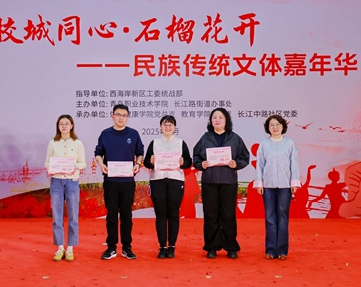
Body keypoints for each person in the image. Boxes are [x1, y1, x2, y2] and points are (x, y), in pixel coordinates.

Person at [193, 108, 250, 259]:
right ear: (211, 121)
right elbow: (196, 156)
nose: (217, 120)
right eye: (214, 117)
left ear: (226, 121)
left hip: (228, 181)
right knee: (210, 214)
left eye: (220, 117)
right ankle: (211, 247)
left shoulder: (235, 138)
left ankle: (231, 247)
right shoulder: (205, 138)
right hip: (209, 181)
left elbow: (245, 156)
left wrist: (236, 163)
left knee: (228, 215)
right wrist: (201, 164)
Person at [94, 105, 144, 260]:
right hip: (111, 181)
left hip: (128, 181)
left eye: (124, 115)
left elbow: (140, 153)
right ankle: (111, 247)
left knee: (126, 215)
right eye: (118, 114)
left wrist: (138, 164)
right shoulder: (105, 134)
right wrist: (101, 164)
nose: (121, 118)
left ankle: (127, 248)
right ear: (112, 116)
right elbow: (98, 153)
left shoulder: (133, 134)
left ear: (127, 117)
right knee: (111, 215)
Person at [143, 115, 192, 259]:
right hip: (158, 180)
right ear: (160, 127)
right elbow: (146, 162)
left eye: (170, 125)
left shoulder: (181, 143)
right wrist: (151, 162)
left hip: (175, 181)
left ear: (175, 127)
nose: (167, 127)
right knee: (161, 214)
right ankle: (162, 246)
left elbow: (188, 162)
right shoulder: (154, 143)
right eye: (165, 124)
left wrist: (183, 162)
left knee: (173, 214)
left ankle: (172, 246)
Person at [254, 114, 300, 260]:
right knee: (270, 217)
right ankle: (270, 250)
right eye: (272, 125)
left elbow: (294, 163)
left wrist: (294, 183)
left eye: (277, 125)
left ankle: (282, 251)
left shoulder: (289, 144)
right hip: (268, 185)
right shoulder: (264, 144)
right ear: (268, 128)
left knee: (283, 216)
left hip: (285, 185)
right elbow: (259, 165)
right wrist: (259, 183)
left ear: (283, 126)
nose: (275, 127)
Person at [45, 115, 86, 262]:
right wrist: (52, 168)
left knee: (73, 215)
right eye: (61, 124)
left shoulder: (78, 143)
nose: (63, 126)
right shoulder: (53, 143)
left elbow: (83, 163)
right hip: (56, 181)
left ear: (72, 126)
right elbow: (47, 162)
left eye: (66, 123)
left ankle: (70, 248)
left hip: (72, 181)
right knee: (57, 216)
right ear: (58, 126)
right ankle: (60, 248)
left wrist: (74, 166)